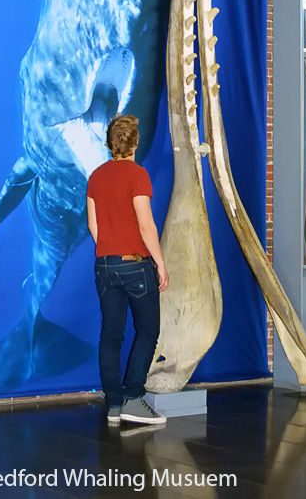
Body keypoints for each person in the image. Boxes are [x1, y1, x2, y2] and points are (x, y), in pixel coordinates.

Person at [87, 114, 169, 426]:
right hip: (136, 265)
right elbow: (146, 225)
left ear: (110, 144)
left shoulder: (96, 176)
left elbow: (93, 226)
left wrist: (110, 248)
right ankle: (134, 397)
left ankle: (113, 405)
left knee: (110, 335)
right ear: (135, 142)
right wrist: (160, 263)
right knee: (147, 330)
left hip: (104, 264)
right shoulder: (138, 175)